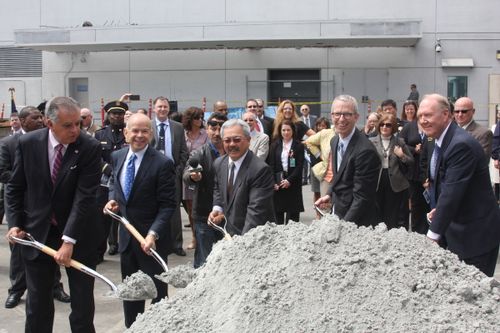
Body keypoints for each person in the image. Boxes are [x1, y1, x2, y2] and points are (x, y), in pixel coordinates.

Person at [5, 96, 101, 332]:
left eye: (78, 123)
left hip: (80, 234)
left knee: (81, 305)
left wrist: (69, 240)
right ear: (49, 123)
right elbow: (15, 187)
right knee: (37, 304)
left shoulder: (89, 147)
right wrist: (15, 223)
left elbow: (85, 197)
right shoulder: (28, 144)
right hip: (38, 233)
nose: (76, 130)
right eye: (68, 125)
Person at [104, 113, 176, 328]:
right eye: (135, 130)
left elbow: (168, 205)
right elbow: (113, 184)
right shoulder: (118, 157)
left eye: (145, 130)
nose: (140, 135)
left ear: (151, 133)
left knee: (157, 293)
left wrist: (153, 234)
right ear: (126, 133)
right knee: (131, 293)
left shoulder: (162, 163)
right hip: (127, 239)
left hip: (152, 242)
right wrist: (112, 201)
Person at [419, 93, 500, 277]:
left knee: (474, 298)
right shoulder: (440, 140)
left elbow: (452, 193)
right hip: (458, 233)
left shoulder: (460, 144)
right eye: (420, 116)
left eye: (428, 115)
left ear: (446, 114)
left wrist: (432, 236)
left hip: (475, 237)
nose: (423, 120)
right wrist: (439, 209)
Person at [1, 106, 71, 309]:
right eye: (35, 117)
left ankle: (55, 287)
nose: (40, 120)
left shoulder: (52, 141)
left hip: (48, 210)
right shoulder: (9, 143)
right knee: (20, 252)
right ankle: (16, 290)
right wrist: (29, 182)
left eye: (41, 117)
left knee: (51, 247)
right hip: (22, 207)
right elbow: (3, 173)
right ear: (22, 121)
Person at [315, 95, 381, 227]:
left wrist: (344, 227)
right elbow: (338, 176)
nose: (341, 119)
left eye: (347, 114)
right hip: (339, 212)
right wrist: (329, 194)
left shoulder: (365, 151)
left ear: (356, 117)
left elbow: (362, 198)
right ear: (332, 116)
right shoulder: (334, 141)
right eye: (337, 114)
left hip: (357, 222)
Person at [208, 119, 275, 236]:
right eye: (227, 140)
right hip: (228, 233)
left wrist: (241, 245)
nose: (232, 144)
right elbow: (218, 188)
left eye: (237, 140)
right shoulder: (219, 163)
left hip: (253, 237)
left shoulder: (260, 170)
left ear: (249, 140)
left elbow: (255, 213)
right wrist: (217, 208)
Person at [183, 112, 227, 268]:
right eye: (212, 128)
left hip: (228, 214)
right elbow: (187, 173)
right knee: (204, 259)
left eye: (220, 128)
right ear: (207, 130)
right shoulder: (199, 153)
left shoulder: (233, 153)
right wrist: (193, 177)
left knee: (226, 258)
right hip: (204, 214)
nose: (216, 133)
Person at [150, 96, 189, 256]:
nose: (162, 109)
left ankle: (177, 244)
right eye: (159, 107)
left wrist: (178, 170)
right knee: (153, 208)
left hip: (172, 173)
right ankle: (156, 241)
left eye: (165, 107)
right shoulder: (148, 126)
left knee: (173, 210)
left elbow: (183, 152)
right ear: (154, 108)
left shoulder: (178, 127)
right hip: (152, 174)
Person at [94, 101, 128, 261]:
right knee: (103, 217)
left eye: (120, 113)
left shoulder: (129, 132)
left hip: (126, 178)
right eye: (114, 113)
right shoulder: (100, 134)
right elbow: (95, 157)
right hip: (105, 180)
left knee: (124, 213)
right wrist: (106, 168)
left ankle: (123, 245)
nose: (117, 116)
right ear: (108, 115)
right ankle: (103, 248)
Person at [370, 113, 414, 229]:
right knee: (376, 211)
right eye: (382, 124)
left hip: (395, 181)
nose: (384, 127)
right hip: (377, 180)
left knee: (392, 212)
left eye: (388, 125)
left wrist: (401, 155)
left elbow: (411, 161)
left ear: (393, 127)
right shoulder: (371, 141)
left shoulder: (400, 142)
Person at [400, 104, 430, 234]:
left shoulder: (430, 126)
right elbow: (400, 143)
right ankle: (417, 231)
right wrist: (413, 150)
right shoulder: (409, 127)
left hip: (428, 171)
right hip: (413, 171)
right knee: (416, 203)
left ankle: (430, 230)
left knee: (428, 202)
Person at [268, 120, 305, 224]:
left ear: (293, 130)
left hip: (293, 183)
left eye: (288, 130)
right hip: (278, 183)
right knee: (278, 215)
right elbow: (271, 165)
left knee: (293, 217)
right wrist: (274, 182)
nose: (286, 132)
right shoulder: (275, 145)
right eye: (283, 130)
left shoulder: (298, 146)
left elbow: (299, 166)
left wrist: (289, 180)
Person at [182, 107, 208, 250]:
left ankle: (202, 236)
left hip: (201, 174)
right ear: (190, 119)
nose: (200, 120)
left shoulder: (205, 134)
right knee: (190, 209)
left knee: (201, 207)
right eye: (197, 118)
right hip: (187, 174)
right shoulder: (183, 134)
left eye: (201, 117)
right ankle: (194, 237)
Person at [305, 117, 334, 218]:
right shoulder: (318, 136)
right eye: (319, 125)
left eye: (323, 125)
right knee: (316, 192)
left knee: (326, 194)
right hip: (317, 168)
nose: (321, 127)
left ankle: (325, 215)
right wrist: (319, 154)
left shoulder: (329, 134)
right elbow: (307, 142)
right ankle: (318, 214)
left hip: (328, 171)